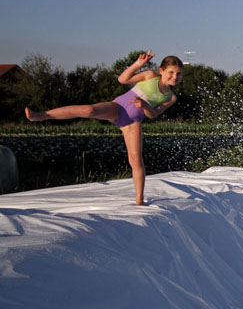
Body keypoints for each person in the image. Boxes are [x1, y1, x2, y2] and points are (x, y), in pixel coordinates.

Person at [25, 51, 183, 206]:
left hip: (133, 122)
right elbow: (122, 79)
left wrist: (145, 105)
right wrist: (138, 64)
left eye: (179, 74)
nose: (175, 77)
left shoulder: (170, 97)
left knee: (136, 160)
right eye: (171, 72)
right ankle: (41, 115)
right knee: (89, 110)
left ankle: (139, 199)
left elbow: (153, 114)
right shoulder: (150, 75)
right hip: (118, 108)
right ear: (161, 70)